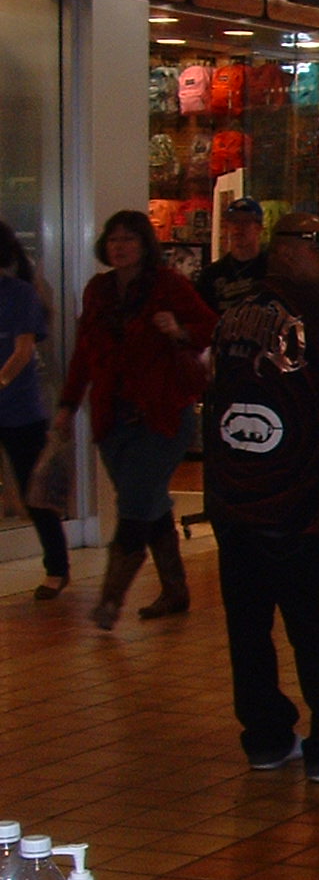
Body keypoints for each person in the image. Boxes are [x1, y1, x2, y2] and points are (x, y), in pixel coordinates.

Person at [206, 212, 319, 782]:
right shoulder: (314, 316)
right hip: (302, 507)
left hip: (236, 505)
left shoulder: (233, 313)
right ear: (284, 249)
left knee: (249, 632)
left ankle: (265, 738)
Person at [55, 210, 216, 629]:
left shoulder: (168, 285)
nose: (120, 246)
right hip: (113, 418)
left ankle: (110, 600)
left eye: (128, 238)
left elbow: (210, 326)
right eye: (113, 239)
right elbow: (85, 352)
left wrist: (178, 329)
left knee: (135, 504)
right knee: (147, 500)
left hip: (163, 413)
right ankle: (175, 589)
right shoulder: (98, 290)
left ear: (145, 244)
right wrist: (68, 403)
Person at [0, 221, 68, 599]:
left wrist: (1, 383)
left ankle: (56, 568)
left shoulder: (20, 294)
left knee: (34, 491)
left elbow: (23, 351)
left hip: (19, 409)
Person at [195, 196, 268, 313]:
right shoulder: (211, 274)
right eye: (234, 221)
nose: (238, 227)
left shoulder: (271, 268)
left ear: (258, 228)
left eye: (246, 221)